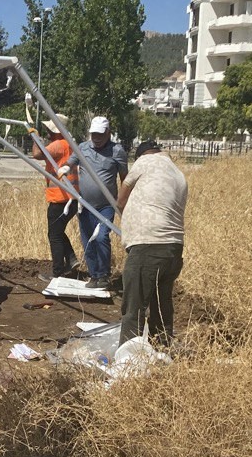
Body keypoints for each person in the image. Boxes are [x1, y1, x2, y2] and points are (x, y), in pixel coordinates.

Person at [116, 140, 187, 347]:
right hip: (174, 248)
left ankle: (128, 362)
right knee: (161, 304)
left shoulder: (145, 162)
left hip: (148, 244)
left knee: (133, 307)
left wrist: (126, 217)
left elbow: (121, 199)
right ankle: (161, 350)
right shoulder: (178, 173)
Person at [66, 115, 127, 289]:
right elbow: (71, 162)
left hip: (106, 205)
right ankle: (95, 275)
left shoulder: (117, 151)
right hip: (85, 205)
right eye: (94, 134)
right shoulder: (83, 148)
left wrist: (123, 202)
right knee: (88, 241)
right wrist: (65, 167)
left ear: (108, 133)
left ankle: (104, 275)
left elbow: (125, 178)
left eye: (100, 135)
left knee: (101, 237)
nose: (97, 138)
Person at [30, 115, 79, 278]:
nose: (47, 132)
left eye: (49, 129)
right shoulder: (69, 145)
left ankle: (58, 272)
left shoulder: (58, 145)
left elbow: (37, 153)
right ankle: (71, 259)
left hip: (60, 198)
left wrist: (34, 136)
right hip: (71, 198)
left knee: (54, 235)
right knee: (57, 231)